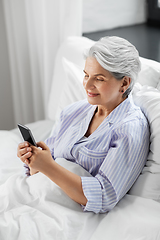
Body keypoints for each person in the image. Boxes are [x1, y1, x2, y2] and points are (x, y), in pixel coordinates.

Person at [17, 36, 150, 214]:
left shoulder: (129, 128)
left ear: (124, 83)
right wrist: (33, 160)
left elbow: (104, 196)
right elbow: (42, 170)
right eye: (86, 75)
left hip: (69, 213)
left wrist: (48, 165)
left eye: (99, 79)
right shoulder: (72, 112)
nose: (87, 85)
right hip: (38, 195)